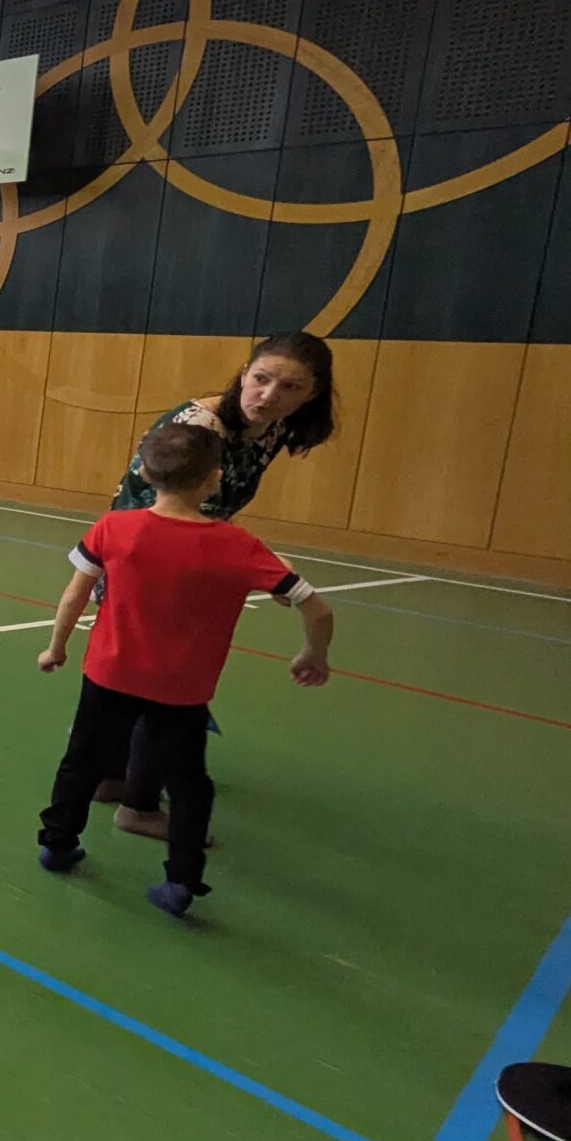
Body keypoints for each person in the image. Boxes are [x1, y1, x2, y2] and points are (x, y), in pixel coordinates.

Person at [37, 421, 335, 917]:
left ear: (145, 473)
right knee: (188, 783)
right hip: (183, 689)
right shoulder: (239, 545)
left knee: (81, 761)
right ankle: (181, 880)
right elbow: (316, 608)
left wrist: (56, 648)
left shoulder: (113, 528)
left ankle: (57, 842)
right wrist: (313, 654)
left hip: (109, 674)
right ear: (215, 478)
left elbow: (75, 594)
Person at [101, 331, 338, 841]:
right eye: (261, 379)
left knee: (143, 685)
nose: (269, 396)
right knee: (165, 693)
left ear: (312, 393)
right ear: (244, 373)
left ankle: (112, 774)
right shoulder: (198, 428)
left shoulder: (271, 428)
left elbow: (213, 510)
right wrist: (258, 563)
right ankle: (138, 805)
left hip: (192, 563)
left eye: (290, 387)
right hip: (148, 564)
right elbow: (170, 512)